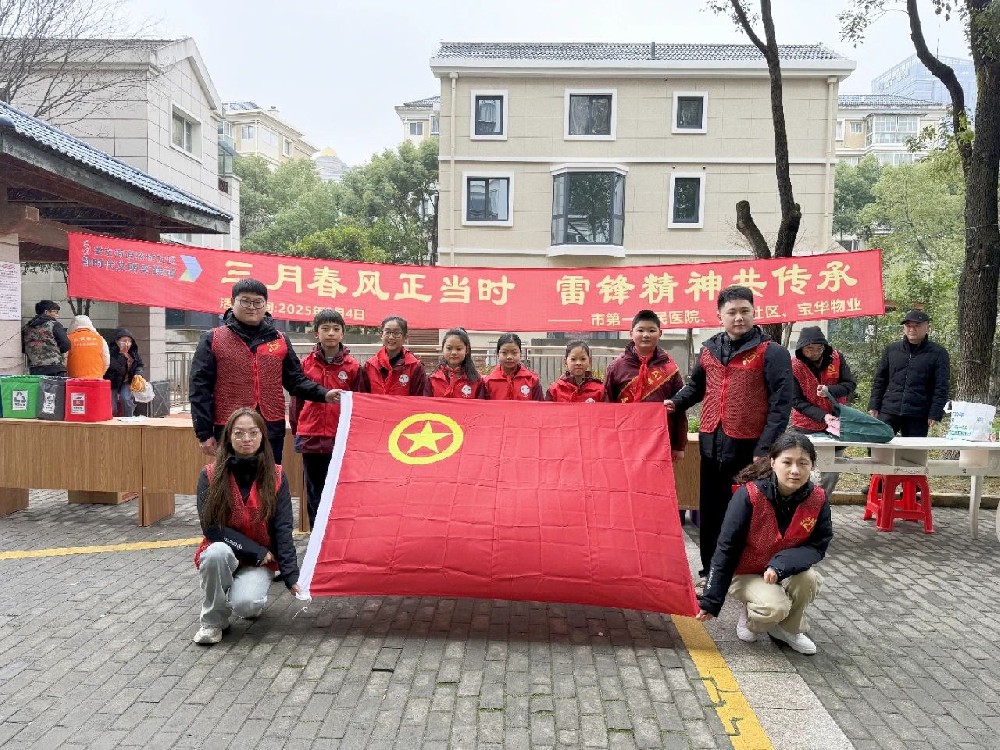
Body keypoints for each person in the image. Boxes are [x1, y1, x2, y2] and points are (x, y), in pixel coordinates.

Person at [667, 286, 794, 593]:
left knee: (747, 514)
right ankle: (710, 571)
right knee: (710, 514)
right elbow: (696, 387)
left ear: (754, 313)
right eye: (732, 312)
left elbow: (781, 403)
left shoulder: (771, 352)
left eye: (744, 311)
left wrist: (765, 449)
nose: (738, 318)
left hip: (750, 450)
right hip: (713, 444)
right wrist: (674, 403)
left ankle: (745, 572)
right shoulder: (709, 349)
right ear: (720, 315)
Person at [696, 432, 833, 656]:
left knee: (809, 579)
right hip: (745, 572)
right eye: (787, 462)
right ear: (773, 462)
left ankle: (788, 630)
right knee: (774, 607)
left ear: (812, 465)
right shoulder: (749, 495)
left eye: (803, 463)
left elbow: (819, 544)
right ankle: (752, 617)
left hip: (783, 570)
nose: (795, 470)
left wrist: (781, 565)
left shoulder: (817, 498)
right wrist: (711, 601)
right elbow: (726, 549)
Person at [189, 279, 340, 464]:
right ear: (232, 302)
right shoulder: (213, 339)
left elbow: (296, 381)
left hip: (271, 426)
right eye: (245, 301)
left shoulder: (280, 339)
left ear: (265, 304)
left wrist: (325, 394)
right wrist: (203, 432)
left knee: (270, 480)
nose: (252, 307)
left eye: (258, 302)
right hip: (230, 427)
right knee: (231, 483)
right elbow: (199, 388)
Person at [192, 408, 300, 645]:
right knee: (216, 553)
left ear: (262, 436)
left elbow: (283, 528)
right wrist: (257, 551)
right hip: (235, 553)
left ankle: (240, 591)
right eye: (239, 434)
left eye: (253, 433)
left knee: (247, 607)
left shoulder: (277, 475)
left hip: (258, 562)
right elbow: (211, 528)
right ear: (229, 438)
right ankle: (212, 622)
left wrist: (292, 576)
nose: (246, 439)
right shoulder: (209, 475)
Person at [288, 309, 364, 530]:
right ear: (316, 333)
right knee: (315, 491)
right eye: (325, 329)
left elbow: (358, 404)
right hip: (311, 437)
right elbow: (296, 402)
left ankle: (338, 537)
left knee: (341, 490)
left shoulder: (353, 367)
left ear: (343, 334)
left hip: (339, 438)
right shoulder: (305, 365)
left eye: (336, 329)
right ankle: (317, 539)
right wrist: (298, 430)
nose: (331, 333)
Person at [604, 310, 687, 459]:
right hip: (624, 439)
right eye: (640, 330)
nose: (646, 335)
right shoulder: (616, 367)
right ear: (631, 333)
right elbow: (607, 403)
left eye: (651, 330)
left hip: (659, 440)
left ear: (660, 333)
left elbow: (679, 408)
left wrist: (678, 445)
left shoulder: (670, 368)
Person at [790, 326, 856, 499]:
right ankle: (800, 504)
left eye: (818, 348)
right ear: (801, 349)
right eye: (809, 349)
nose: (814, 353)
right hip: (806, 426)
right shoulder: (794, 366)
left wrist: (830, 390)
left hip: (836, 424)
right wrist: (822, 416)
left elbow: (850, 385)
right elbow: (796, 401)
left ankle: (821, 505)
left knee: (831, 471)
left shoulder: (837, 358)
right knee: (802, 467)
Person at [868, 310, 950, 438]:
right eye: (908, 326)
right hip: (889, 409)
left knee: (912, 452)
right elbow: (880, 380)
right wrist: (874, 404)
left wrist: (935, 412)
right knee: (877, 444)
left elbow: (941, 386)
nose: (912, 329)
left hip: (918, 413)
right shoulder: (892, 350)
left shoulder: (938, 353)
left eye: (917, 326)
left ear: (927, 327)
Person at [361, 315, 429, 397]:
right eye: (387, 332)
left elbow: (420, 399)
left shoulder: (414, 366)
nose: (391, 337)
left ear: (405, 337)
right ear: (381, 335)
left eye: (396, 333)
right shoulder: (370, 366)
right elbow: (363, 397)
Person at [426, 327, 486, 399]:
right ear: (443, 349)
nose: (454, 352)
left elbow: (481, 407)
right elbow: (427, 406)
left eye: (459, 349)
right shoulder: (432, 379)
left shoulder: (477, 381)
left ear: (466, 350)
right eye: (449, 348)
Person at [483, 333, 544, 401]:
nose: (509, 357)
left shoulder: (532, 380)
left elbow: (539, 408)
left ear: (520, 353)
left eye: (514, 353)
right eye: (504, 353)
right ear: (498, 354)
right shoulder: (488, 382)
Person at [21, 300, 70, 376]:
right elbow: (66, 345)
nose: (57, 315)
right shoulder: (54, 325)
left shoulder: (26, 328)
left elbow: (23, 348)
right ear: (46, 312)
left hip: (34, 368)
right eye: (55, 312)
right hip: (55, 368)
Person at [104, 328, 145, 417]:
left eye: (129, 341)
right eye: (124, 341)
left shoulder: (133, 353)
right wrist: (121, 355)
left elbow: (140, 365)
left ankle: (128, 419)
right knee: (112, 407)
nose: (127, 344)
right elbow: (114, 367)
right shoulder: (111, 353)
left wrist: (138, 374)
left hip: (126, 381)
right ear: (117, 341)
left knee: (126, 399)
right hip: (113, 382)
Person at [66, 315, 110, 379]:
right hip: (96, 378)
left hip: (74, 378)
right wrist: (101, 373)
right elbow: (106, 360)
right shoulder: (100, 339)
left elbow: (64, 359)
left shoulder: (69, 339)